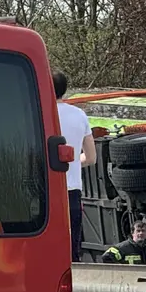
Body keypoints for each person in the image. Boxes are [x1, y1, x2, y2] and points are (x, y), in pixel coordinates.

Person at [53, 68, 98, 262]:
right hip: (72, 191)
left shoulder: (38, 112)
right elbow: (91, 158)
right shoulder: (80, 115)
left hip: (46, 192)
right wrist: (72, 161)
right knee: (71, 253)